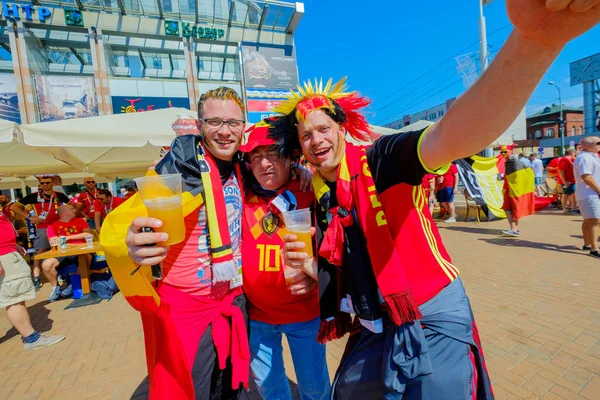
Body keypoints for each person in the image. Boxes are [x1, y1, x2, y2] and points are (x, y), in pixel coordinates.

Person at [277, 4, 599, 397]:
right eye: (306, 136)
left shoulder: (383, 159)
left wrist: (535, 42)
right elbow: (352, 264)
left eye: (323, 128)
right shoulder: (324, 198)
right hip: (375, 320)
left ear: (342, 129)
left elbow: (453, 135)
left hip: (430, 311)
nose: (316, 141)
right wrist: (313, 267)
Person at [240, 120, 330, 399]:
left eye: (273, 155)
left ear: (290, 157)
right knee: (270, 389)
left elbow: (334, 247)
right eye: (256, 157)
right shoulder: (239, 192)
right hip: (257, 318)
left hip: (304, 314)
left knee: (315, 389)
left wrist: (318, 279)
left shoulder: (313, 189)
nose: (264, 164)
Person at [0, 207, 66, 350]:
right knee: (14, 298)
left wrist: (12, 244)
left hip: (6, 252)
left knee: (15, 297)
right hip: (4, 257)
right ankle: (31, 338)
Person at [11, 176, 71, 291]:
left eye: (48, 182)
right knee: (39, 252)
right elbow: (14, 207)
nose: (45, 185)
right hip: (42, 228)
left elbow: (71, 206)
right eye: (42, 183)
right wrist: (29, 217)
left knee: (61, 250)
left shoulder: (59, 195)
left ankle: (61, 274)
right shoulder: (34, 196)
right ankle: (37, 277)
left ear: (52, 183)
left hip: (58, 227)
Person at [42, 204, 93, 301]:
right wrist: (74, 238)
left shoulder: (80, 221)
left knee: (86, 258)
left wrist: (68, 238)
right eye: (71, 209)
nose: (74, 210)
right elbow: (53, 241)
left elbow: (88, 234)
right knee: (46, 265)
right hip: (64, 253)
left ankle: (78, 286)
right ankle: (56, 288)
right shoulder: (52, 227)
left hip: (83, 250)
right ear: (65, 213)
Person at [499, 144, 535, 237]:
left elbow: (523, 175)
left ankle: (514, 229)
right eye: (501, 152)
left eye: (505, 152)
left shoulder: (514, 162)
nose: (503, 154)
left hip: (513, 190)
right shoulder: (510, 162)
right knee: (510, 209)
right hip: (510, 189)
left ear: (511, 152)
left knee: (510, 209)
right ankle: (515, 229)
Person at [574, 137, 600, 258]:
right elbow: (586, 176)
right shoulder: (584, 157)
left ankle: (587, 244)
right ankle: (595, 248)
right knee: (595, 220)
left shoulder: (592, 156)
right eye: (598, 143)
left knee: (589, 219)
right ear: (587, 146)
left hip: (589, 192)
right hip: (589, 193)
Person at [559, 149, 579, 213]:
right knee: (566, 194)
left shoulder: (570, 159)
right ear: (572, 153)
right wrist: (565, 181)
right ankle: (564, 209)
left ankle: (573, 207)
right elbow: (561, 171)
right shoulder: (564, 159)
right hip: (567, 181)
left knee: (574, 194)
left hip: (572, 180)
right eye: (575, 153)